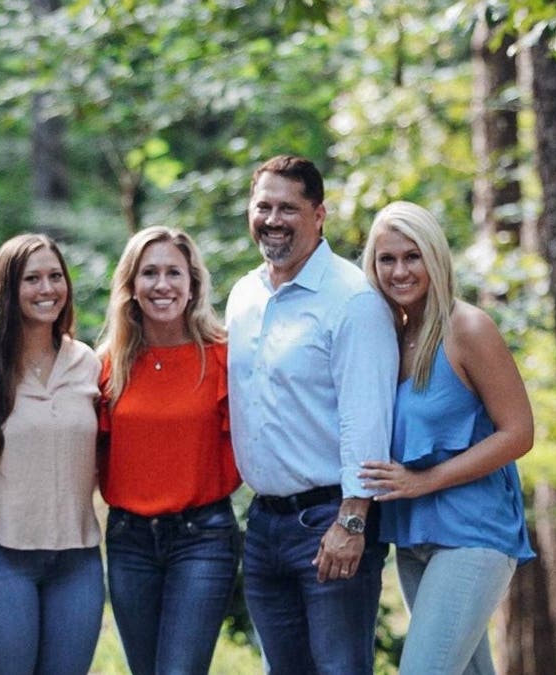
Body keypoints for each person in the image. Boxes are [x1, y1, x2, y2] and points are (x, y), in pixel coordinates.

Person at [225, 154, 399, 674]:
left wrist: (352, 519)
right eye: (263, 206)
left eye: (288, 208)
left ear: (319, 215)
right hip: (264, 524)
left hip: (331, 522)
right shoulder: (244, 295)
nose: (273, 219)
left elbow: (367, 418)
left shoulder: (352, 300)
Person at [358, 201, 536, 674]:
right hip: (413, 537)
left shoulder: (468, 328)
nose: (399, 271)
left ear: (435, 257)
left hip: (472, 535)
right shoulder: (387, 338)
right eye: (386, 259)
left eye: (412, 256)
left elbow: (519, 433)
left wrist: (425, 480)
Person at [0, 233, 104, 675]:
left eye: (55, 277)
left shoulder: (88, 362)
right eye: (31, 279)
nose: (47, 289)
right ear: (8, 288)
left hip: (77, 560)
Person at [97, 226, 242, 675]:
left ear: (193, 283)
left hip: (203, 538)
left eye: (174, 273)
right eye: (150, 273)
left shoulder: (224, 357)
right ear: (131, 286)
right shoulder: (107, 364)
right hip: (128, 541)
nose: (162, 285)